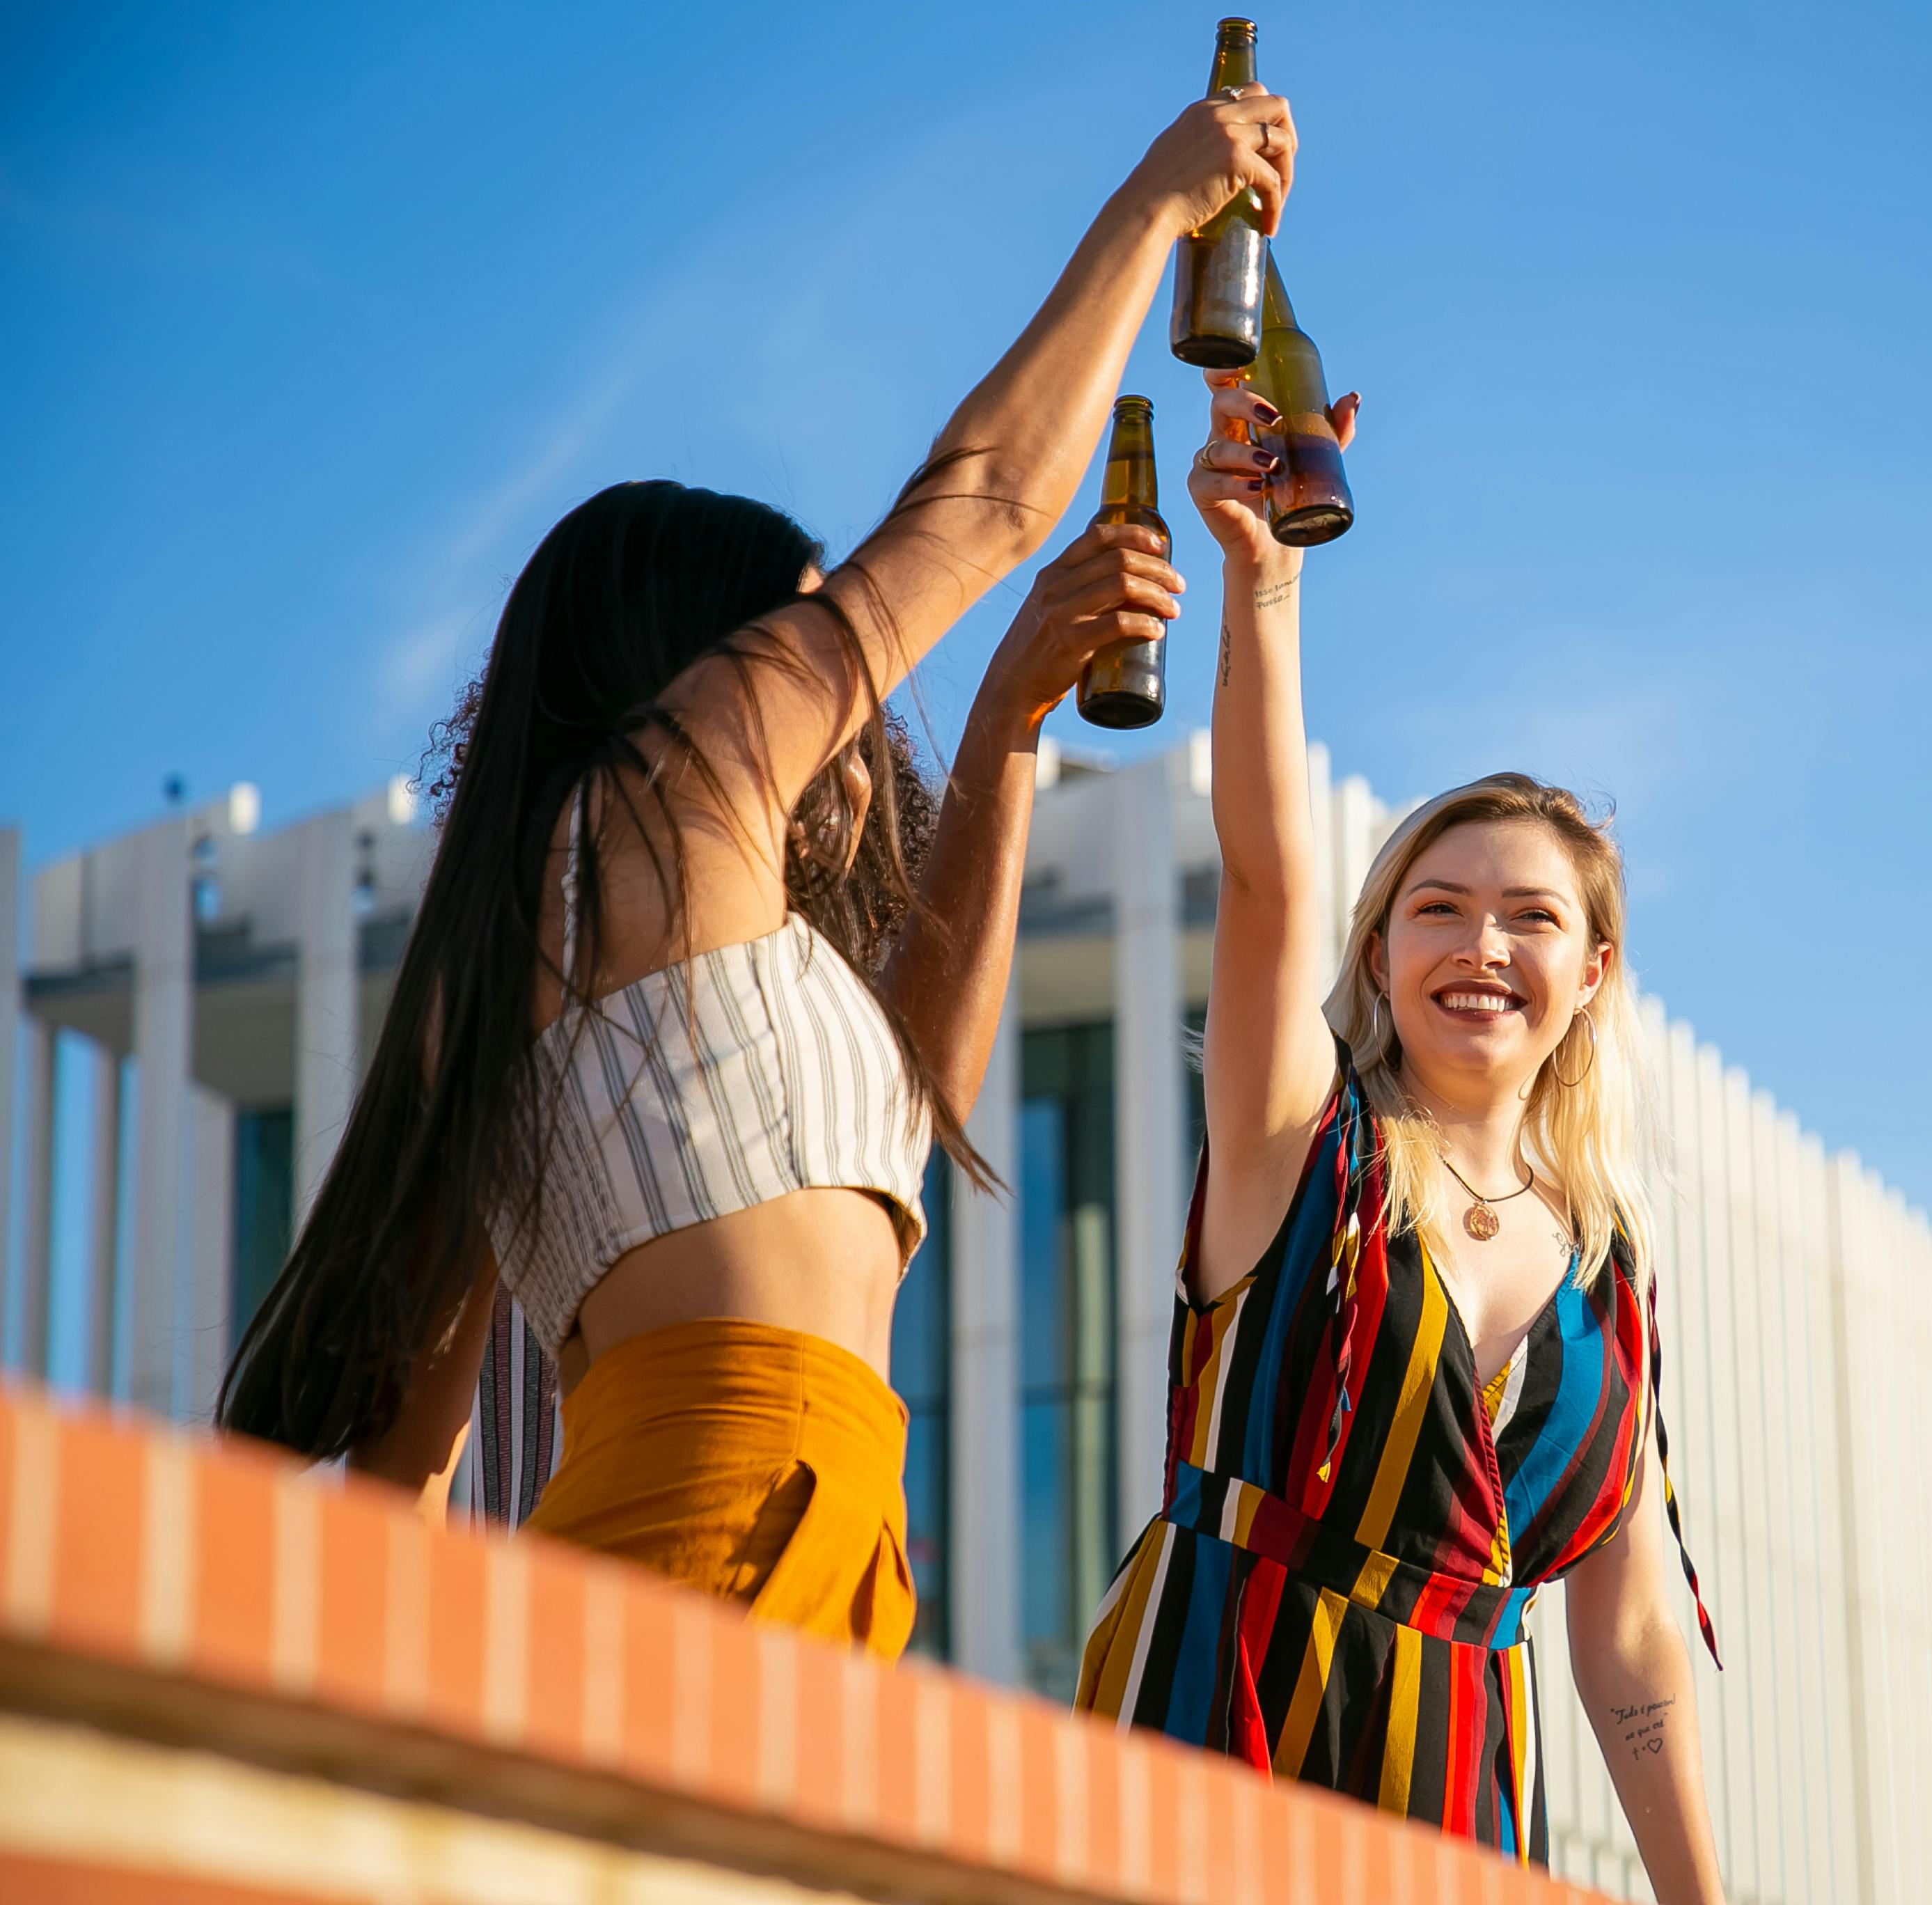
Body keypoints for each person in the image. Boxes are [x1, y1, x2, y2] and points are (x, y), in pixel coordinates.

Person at [217, 83, 1301, 1660]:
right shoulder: (650, 804)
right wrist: (1160, 201)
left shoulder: (641, 952)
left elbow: (915, 1104)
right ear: (689, 661)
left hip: (819, 1537)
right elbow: (982, 506)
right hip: (706, 1519)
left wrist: (1002, 722)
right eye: (796, 635)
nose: (841, 704)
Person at [1074, 372, 1725, 1894]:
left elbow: (1629, 1628)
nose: (1479, 943)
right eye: (1436, 908)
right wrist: (1266, 582)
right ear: (1378, 955)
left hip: (1457, 1803)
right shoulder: (1303, 1146)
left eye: (1529, 916)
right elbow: (1264, 882)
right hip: (1210, 1731)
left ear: (1593, 973)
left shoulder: (1611, 1275)